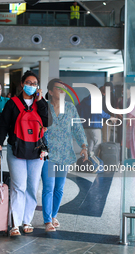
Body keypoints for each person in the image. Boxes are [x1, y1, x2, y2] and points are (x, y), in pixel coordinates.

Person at [0, 71, 52, 237]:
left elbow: (48, 121)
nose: (31, 86)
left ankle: (27, 221)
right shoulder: (12, 103)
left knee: (32, 187)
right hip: (15, 149)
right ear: (21, 84)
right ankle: (15, 224)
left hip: (37, 150)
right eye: (28, 82)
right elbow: (3, 125)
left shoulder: (41, 103)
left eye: (34, 83)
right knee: (19, 187)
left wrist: (40, 101)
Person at [42, 79, 88, 232]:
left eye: (64, 89)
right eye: (59, 89)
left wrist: (83, 146)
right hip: (47, 153)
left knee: (59, 188)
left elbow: (77, 128)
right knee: (48, 187)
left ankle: (54, 215)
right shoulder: (43, 107)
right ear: (50, 92)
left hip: (64, 154)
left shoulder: (69, 108)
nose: (63, 91)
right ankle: (47, 220)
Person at [76, 83, 116, 156]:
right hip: (95, 126)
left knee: (90, 144)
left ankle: (89, 160)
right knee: (97, 145)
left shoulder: (84, 100)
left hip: (86, 126)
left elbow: (77, 109)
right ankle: (95, 161)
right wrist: (109, 117)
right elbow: (99, 111)